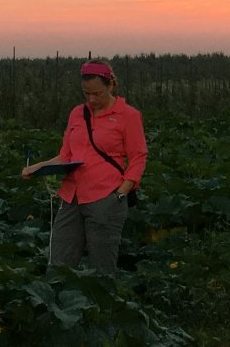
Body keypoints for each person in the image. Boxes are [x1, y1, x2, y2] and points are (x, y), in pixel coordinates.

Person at [22, 59, 147, 273]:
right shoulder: (77, 113)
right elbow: (65, 155)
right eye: (86, 93)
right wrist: (38, 167)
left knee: (102, 268)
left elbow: (138, 157)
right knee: (58, 263)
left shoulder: (128, 115)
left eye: (97, 93)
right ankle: (58, 301)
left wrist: (121, 193)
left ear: (110, 85)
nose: (91, 99)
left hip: (106, 198)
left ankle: (104, 304)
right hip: (71, 197)